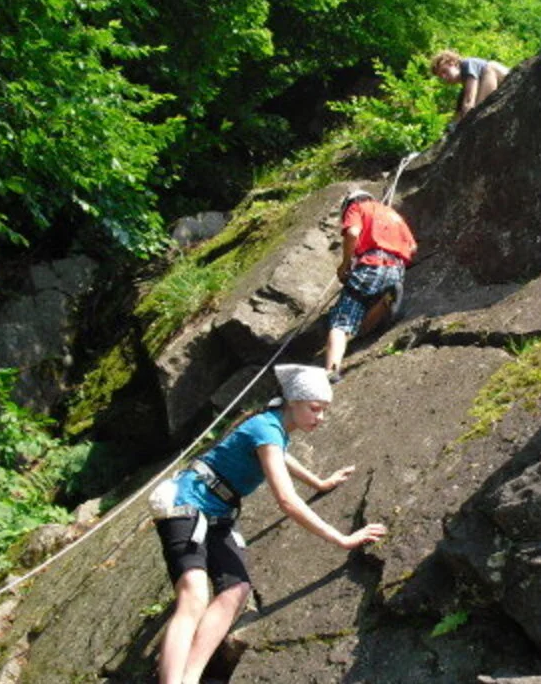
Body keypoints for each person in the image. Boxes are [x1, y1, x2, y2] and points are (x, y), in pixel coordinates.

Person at [149, 364, 387, 684]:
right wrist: (341, 539)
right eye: (314, 408)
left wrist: (319, 482)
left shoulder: (275, 429)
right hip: (185, 502)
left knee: (235, 591)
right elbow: (287, 501)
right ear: (293, 402)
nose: (320, 417)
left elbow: (281, 456)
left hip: (217, 515)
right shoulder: (266, 428)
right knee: (194, 596)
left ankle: (189, 677)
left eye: (324, 410)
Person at [324, 189, 417, 382]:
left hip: (370, 265)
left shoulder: (356, 207)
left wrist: (346, 264)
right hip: (396, 269)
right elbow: (412, 247)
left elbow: (352, 233)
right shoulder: (393, 215)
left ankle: (331, 370)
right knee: (362, 327)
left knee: (340, 322)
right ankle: (385, 300)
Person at [430, 49, 510, 124]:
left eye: (444, 71)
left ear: (452, 63)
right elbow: (458, 116)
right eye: (441, 77)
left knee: (490, 67)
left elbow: (469, 101)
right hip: (500, 92)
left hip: (503, 77)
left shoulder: (467, 64)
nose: (444, 77)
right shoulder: (464, 89)